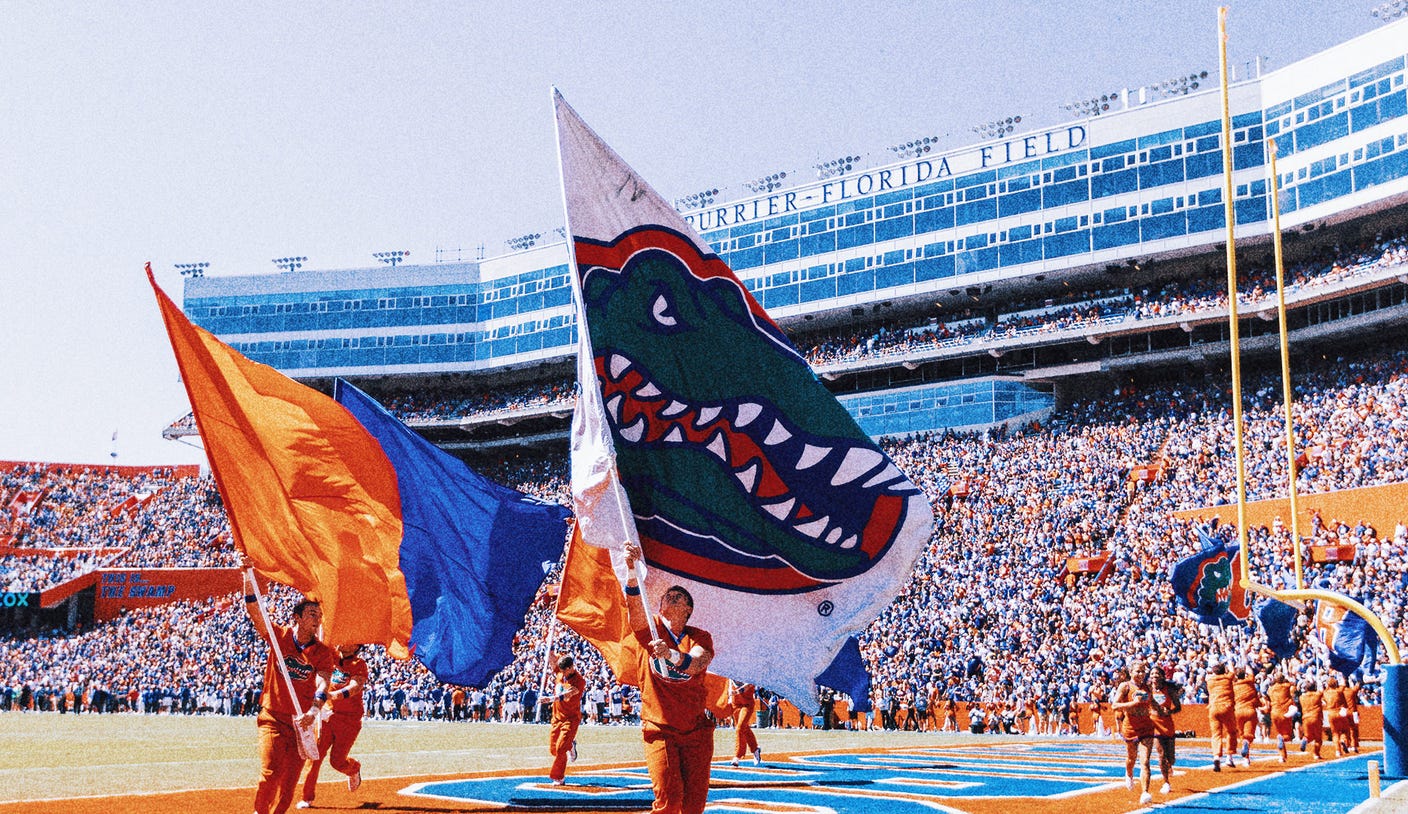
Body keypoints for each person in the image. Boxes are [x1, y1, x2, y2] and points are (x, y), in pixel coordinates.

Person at [622, 541, 715, 814]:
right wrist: (631, 570)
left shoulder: (700, 636)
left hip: (696, 730)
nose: (671, 596)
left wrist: (671, 655)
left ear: (689, 610)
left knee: (693, 806)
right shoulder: (650, 630)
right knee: (669, 801)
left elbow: (696, 663)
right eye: (667, 596)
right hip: (660, 728)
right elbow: (635, 611)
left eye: (679, 596)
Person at [241, 564, 335, 814]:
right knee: (270, 775)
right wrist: (246, 576)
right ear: (298, 617)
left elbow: (323, 682)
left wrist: (314, 712)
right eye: (313, 614)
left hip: (300, 723)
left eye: (319, 615)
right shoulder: (280, 637)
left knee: (288, 787)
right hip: (273, 717)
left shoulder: (323, 653)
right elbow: (254, 610)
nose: (318, 619)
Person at [296, 644, 367, 809]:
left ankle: (353, 768)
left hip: (349, 720)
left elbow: (355, 687)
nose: (343, 642)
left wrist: (333, 695)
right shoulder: (331, 656)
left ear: (355, 646)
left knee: (337, 761)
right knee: (314, 757)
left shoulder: (359, 664)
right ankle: (307, 797)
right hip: (327, 715)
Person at [1111, 660, 1156, 805]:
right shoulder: (1125, 686)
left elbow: (1153, 702)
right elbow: (1114, 706)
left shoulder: (1148, 686)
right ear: (1131, 672)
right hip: (1130, 727)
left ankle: (1145, 792)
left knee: (1145, 761)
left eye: (1143, 671)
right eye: (1137, 671)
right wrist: (1133, 703)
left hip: (1147, 727)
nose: (1141, 674)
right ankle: (1129, 774)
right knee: (1131, 758)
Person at [547, 655, 585, 785]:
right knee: (553, 750)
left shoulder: (579, 681)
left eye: (564, 671)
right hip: (557, 717)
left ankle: (558, 777)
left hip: (570, 718)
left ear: (571, 667)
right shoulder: (560, 672)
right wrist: (547, 638)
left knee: (560, 748)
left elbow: (567, 695)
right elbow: (551, 659)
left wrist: (550, 699)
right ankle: (571, 744)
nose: (562, 673)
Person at [1149, 666, 1182, 797]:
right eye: (1152, 673)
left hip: (1167, 724)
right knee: (1161, 754)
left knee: (1171, 758)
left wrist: (1171, 711)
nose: (1154, 676)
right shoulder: (1147, 689)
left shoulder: (1169, 690)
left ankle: (1169, 765)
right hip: (1154, 724)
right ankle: (1166, 782)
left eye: (1157, 673)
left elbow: (1178, 707)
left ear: (1162, 676)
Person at [1205, 661, 1238, 771]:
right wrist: (1229, 659)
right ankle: (1229, 757)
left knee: (1216, 734)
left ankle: (1216, 757)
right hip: (1226, 707)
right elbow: (1233, 671)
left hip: (1213, 708)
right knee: (1231, 731)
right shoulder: (1227, 678)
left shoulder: (1209, 680)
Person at [1232, 666, 1262, 764]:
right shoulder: (1250, 683)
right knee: (1248, 735)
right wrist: (1247, 665)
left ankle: (1246, 759)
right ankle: (1246, 746)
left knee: (1242, 735)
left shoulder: (1233, 686)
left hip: (1238, 712)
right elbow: (1251, 673)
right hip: (1250, 711)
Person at [1267, 670, 1297, 763]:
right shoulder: (1286, 686)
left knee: (1279, 734)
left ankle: (1282, 756)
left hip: (1274, 713)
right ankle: (1282, 741)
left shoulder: (1271, 689)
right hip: (1284, 713)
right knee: (1287, 736)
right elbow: (1293, 683)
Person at [729, 682, 761, 766]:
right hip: (735, 703)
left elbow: (749, 684)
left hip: (747, 704)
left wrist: (737, 691)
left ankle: (737, 755)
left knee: (740, 728)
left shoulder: (750, 671)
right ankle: (755, 749)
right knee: (744, 728)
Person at [1323, 675, 1351, 758]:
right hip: (1340, 712)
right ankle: (1343, 740)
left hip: (1331, 713)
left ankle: (1337, 751)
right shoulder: (1339, 691)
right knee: (1345, 730)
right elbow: (1344, 684)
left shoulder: (1325, 693)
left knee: (1335, 733)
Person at [1298, 679, 1324, 761]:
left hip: (1306, 718)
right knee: (1318, 738)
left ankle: (1305, 740)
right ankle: (1316, 754)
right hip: (1316, 717)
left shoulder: (1301, 697)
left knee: (1308, 735)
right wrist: (1319, 681)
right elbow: (1322, 690)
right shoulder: (1317, 695)